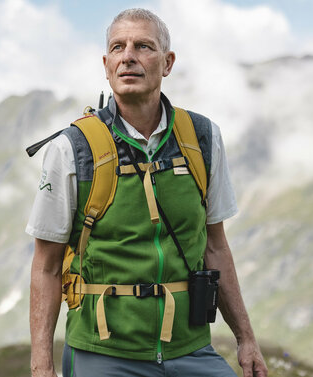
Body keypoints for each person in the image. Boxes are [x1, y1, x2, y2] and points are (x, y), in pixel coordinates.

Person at [26, 8, 268, 377]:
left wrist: (246, 338)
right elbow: (46, 265)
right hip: (102, 353)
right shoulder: (71, 149)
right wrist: (41, 364)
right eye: (118, 48)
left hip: (190, 349)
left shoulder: (202, 138)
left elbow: (215, 246)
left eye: (143, 47)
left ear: (167, 63)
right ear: (106, 65)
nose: (128, 57)